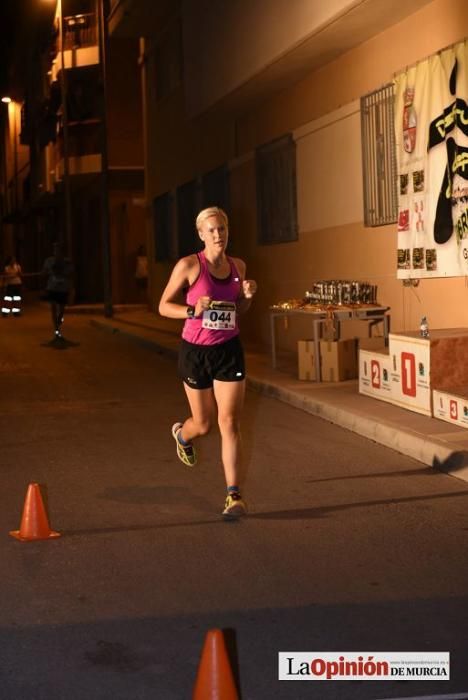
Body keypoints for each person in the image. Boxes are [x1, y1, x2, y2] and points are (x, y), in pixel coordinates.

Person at [158, 206, 257, 519]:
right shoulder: (189, 265)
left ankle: (234, 496)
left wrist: (248, 295)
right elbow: (163, 306)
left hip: (228, 349)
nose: (218, 235)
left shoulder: (238, 265)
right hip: (195, 351)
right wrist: (192, 310)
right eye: (211, 230)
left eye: (222, 230)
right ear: (201, 234)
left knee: (229, 422)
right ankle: (182, 435)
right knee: (202, 423)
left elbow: (239, 309)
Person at [42, 242, 74, 339]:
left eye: (58, 249)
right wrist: (44, 273)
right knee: (53, 308)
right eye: (55, 249)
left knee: (62, 309)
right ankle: (56, 329)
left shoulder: (67, 261)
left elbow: (71, 272)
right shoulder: (49, 261)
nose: (56, 251)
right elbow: (44, 272)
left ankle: (59, 319)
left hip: (63, 288)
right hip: (52, 287)